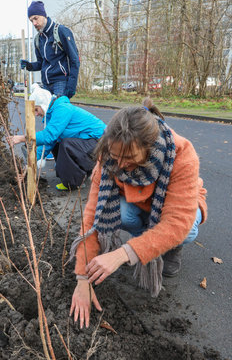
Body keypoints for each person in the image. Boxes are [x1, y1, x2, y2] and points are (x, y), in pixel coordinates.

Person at [69, 98, 208, 328]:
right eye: (116, 157)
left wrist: (123, 253)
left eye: (129, 159)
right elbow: (93, 216)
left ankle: (166, 247)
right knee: (117, 212)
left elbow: (176, 222)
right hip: (140, 207)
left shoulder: (182, 154)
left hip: (177, 207)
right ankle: (150, 242)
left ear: (149, 149)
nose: (120, 165)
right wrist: (83, 278)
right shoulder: (109, 154)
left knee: (186, 231)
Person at [8, 85, 106, 190]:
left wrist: (22, 138)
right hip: (90, 143)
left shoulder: (62, 109)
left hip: (101, 143)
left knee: (65, 144)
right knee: (57, 143)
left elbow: (49, 136)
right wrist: (29, 165)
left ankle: (73, 182)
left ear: (43, 104)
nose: (36, 114)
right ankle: (76, 174)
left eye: (36, 109)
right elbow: (48, 143)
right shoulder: (53, 112)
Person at [20, 1, 80, 99]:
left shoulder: (61, 31)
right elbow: (41, 63)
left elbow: (75, 60)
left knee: (58, 113)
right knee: (46, 114)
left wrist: (71, 86)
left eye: (36, 18)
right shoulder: (38, 39)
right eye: (31, 21)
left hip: (61, 83)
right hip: (46, 86)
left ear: (44, 15)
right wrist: (29, 66)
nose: (34, 23)